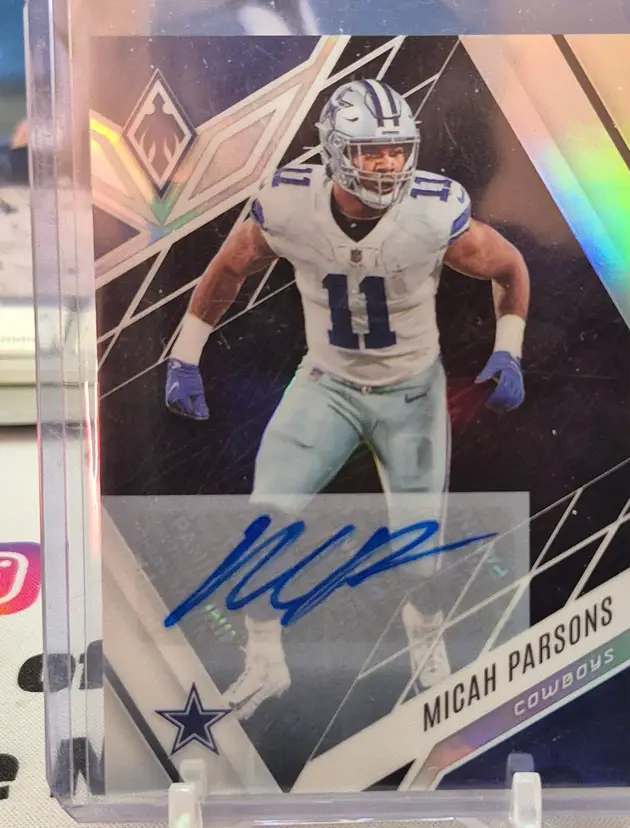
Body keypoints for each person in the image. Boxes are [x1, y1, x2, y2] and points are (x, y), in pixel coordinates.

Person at [165, 78, 530, 719]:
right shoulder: (288, 204)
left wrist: (509, 351)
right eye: (370, 152)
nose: (387, 164)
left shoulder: (433, 211)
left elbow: (509, 267)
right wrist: (184, 355)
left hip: (411, 393)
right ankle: (264, 662)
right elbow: (229, 266)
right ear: (334, 151)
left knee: (419, 555)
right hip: (326, 384)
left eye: (396, 150)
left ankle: (425, 634)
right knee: (264, 523)